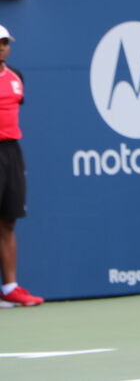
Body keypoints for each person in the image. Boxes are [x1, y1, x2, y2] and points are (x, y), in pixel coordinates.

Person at [0, 26, 44, 308]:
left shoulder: (17, 77)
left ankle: (10, 288)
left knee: (8, 220)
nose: (2, 47)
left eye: (5, 43)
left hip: (10, 152)